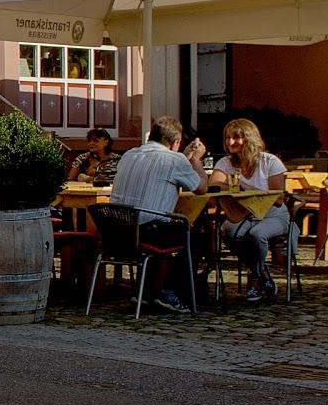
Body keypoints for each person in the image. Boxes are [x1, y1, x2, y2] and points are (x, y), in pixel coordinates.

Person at [109, 115, 210, 313]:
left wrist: (183, 157)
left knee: (167, 228)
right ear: (175, 142)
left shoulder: (129, 154)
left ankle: (145, 292)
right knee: (197, 234)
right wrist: (196, 160)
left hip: (116, 232)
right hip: (149, 231)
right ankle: (167, 291)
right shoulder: (174, 159)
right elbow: (201, 188)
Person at [207, 117, 290, 302]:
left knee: (256, 234)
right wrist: (233, 187)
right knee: (229, 233)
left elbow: (278, 199)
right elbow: (214, 186)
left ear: (249, 138)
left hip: (272, 214)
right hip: (242, 214)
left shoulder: (270, 162)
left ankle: (253, 280)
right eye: (228, 138)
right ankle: (264, 274)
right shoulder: (225, 163)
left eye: (236, 138)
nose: (230, 142)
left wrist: (243, 189)